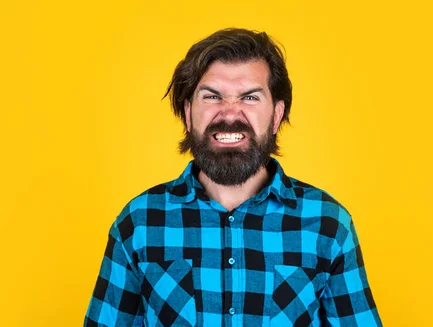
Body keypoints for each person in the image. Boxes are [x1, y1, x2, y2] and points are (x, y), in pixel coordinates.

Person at [84, 28, 382, 327]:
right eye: (212, 96)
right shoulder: (139, 221)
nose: (229, 113)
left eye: (250, 97)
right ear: (188, 113)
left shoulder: (327, 223)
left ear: (277, 115)